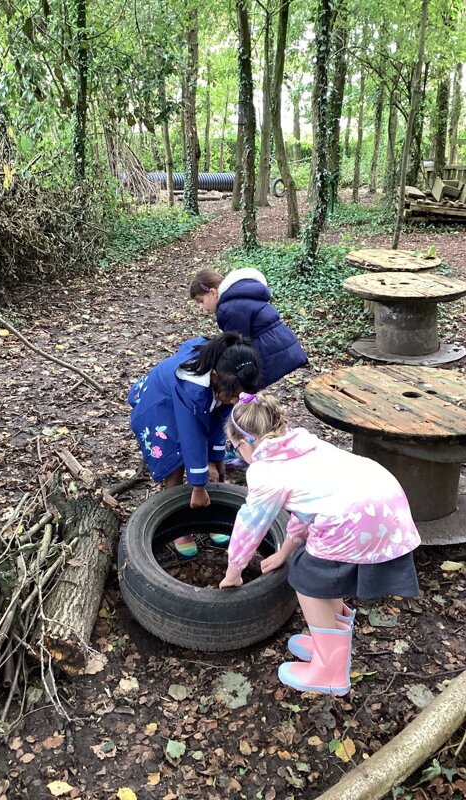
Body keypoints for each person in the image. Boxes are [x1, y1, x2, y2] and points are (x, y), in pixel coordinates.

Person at [219, 392, 421, 696]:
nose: (237, 453)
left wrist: (234, 570)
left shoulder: (265, 471)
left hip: (354, 518)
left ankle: (330, 672)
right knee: (324, 573)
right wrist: (284, 552)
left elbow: (250, 525)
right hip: (385, 502)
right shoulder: (301, 444)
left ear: (246, 443)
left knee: (308, 580)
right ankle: (329, 641)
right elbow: (308, 507)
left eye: (234, 448)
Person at [128, 333, 260, 559]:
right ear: (216, 376)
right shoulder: (193, 386)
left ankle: (210, 516)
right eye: (234, 394)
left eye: (241, 395)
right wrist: (198, 485)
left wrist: (216, 461)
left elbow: (217, 423)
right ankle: (180, 525)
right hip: (161, 408)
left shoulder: (228, 378)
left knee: (213, 469)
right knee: (175, 463)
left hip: (192, 406)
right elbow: (193, 436)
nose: (237, 400)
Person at [189, 267, 308, 388]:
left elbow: (236, 347)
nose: (200, 307)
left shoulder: (228, 308)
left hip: (271, 353)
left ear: (213, 293)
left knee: (245, 389)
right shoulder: (238, 297)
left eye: (201, 301)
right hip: (284, 346)